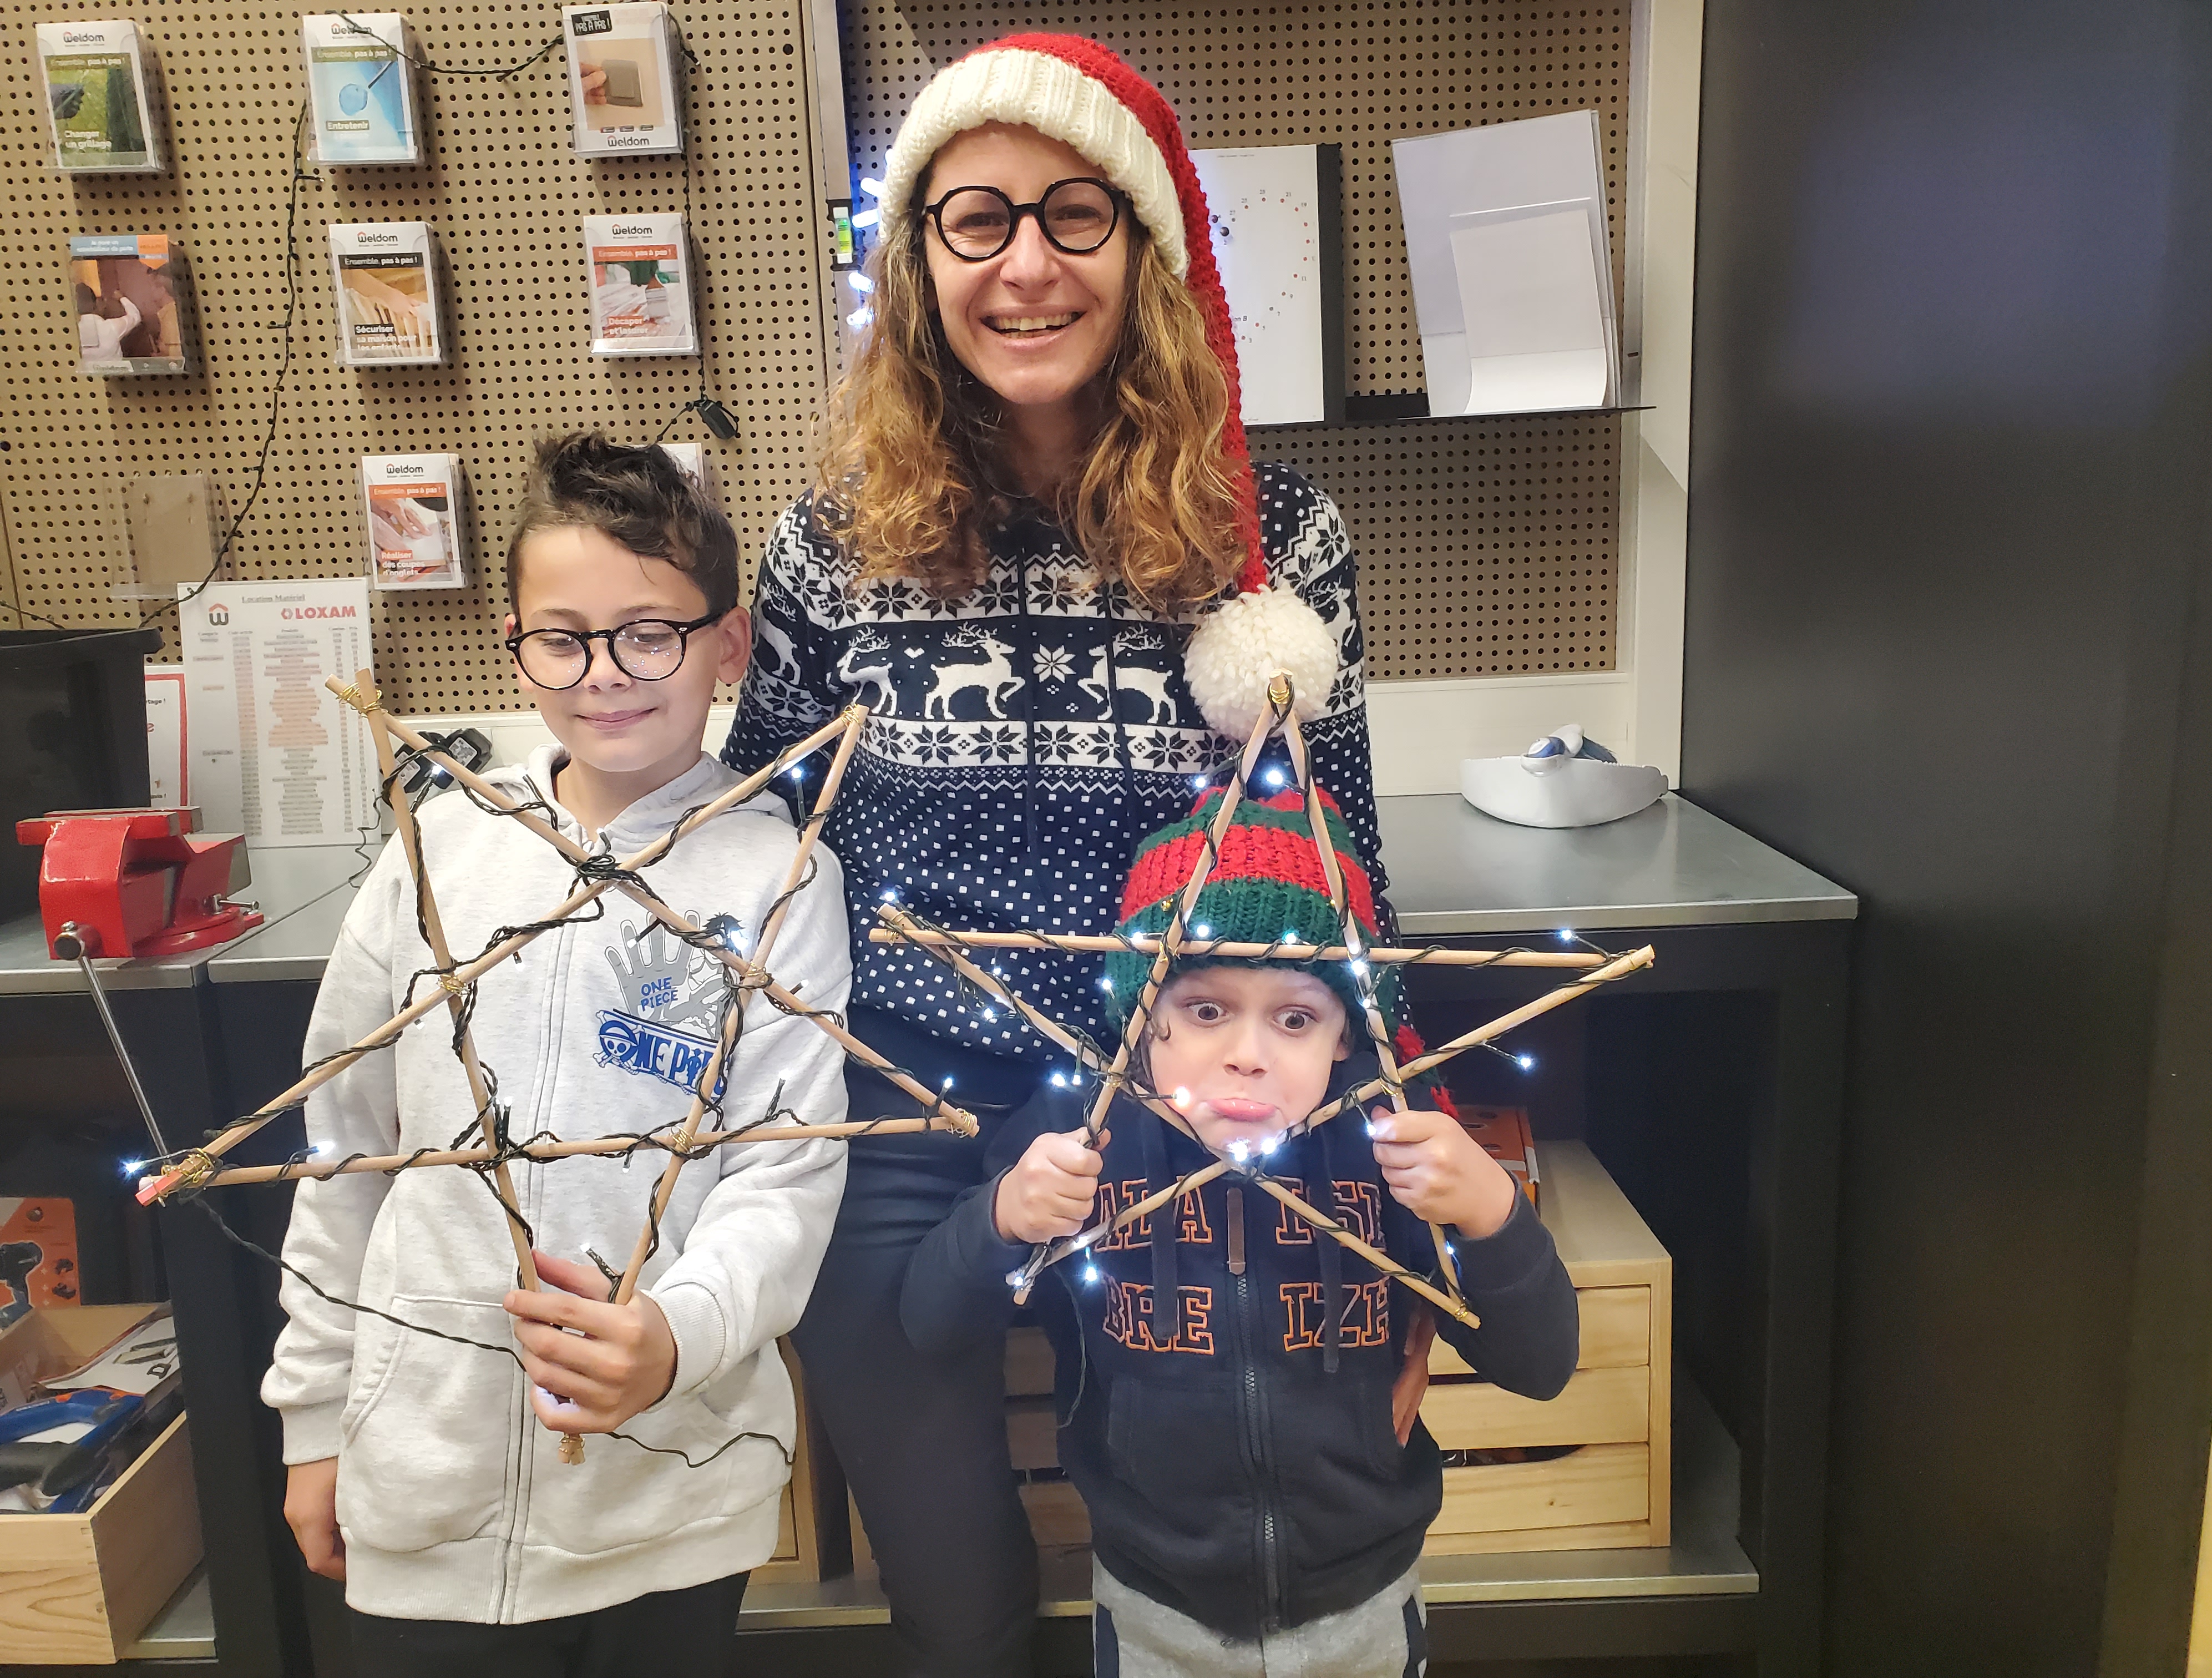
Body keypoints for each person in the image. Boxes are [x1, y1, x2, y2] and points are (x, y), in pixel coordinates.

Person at [722, 32, 1389, 1675]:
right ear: (921, 262)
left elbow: (1344, 875)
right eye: (978, 220)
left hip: (1170, 1109)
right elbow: (756, 842)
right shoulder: (828, 544)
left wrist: (1376, 1210)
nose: (1026, 264)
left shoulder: (1272, 538)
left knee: (1206, 1558)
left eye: (1074, 214)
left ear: (1143, 253)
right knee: (958, 1608)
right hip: (893, 1110)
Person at [264, 434, 851, 1676]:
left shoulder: (782, 877)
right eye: (563, 639)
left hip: (672, 1493)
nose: (605, 675)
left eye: (649, 634)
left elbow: (786, 1173)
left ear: (728, 645)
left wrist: (678, 1335)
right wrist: (314, 1415)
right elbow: (343, 1149)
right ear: (517, 644)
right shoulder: (434, 852)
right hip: (421, 1473)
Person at [902, 788, 1582, 1675]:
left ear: (1345, 1035)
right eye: (1205, 1010)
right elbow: (931, 1323)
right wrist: (1002, 1218)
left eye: (1295, 1018)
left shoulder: (1389, 1143)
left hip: (1366, 1599)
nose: (1248, 1055)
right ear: (1141, 1013)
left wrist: (1491, 1211)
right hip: (1154, 1606)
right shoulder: (1081, 1136)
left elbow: (1542, 1367)